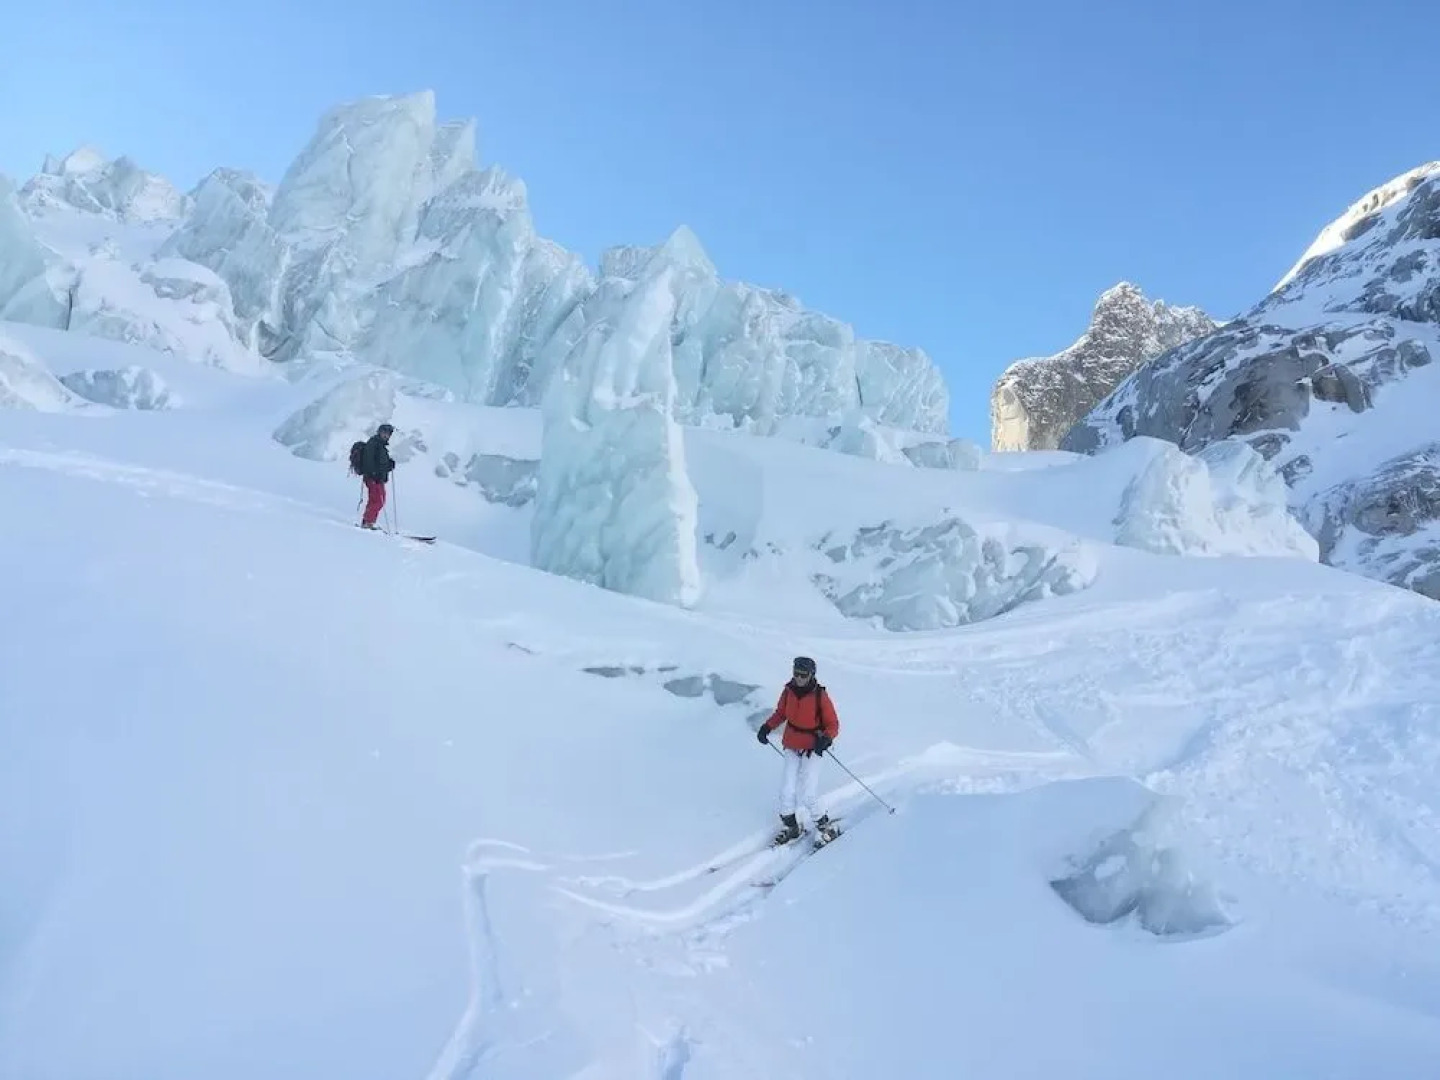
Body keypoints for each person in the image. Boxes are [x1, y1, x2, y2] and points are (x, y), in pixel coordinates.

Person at [756, 655, 841, 845]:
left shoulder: (820, 696)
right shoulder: (788, 691)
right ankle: (791, 826)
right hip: (792, 744)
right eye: (796, 673)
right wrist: (767, 727)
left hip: (812, 747)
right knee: (787, 789)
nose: (799, 678)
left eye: (803, 675)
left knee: (808, 792)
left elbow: (833, 723)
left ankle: (824, 825)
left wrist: (826, 739)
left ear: (811, 675)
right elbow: (781, 713)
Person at [359, 423, 396, 529]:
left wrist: (389, 465)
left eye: (388, 434)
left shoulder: (381, 446)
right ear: (379, 432)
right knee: (377, 500)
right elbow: (369, 460)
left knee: (378, 500)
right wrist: (373, 473)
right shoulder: (373, 443)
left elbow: (381, 463)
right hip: (373, 478)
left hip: (378, 478)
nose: (386, 435)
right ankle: (368, 522)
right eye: (384, 432)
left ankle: (368, 521)